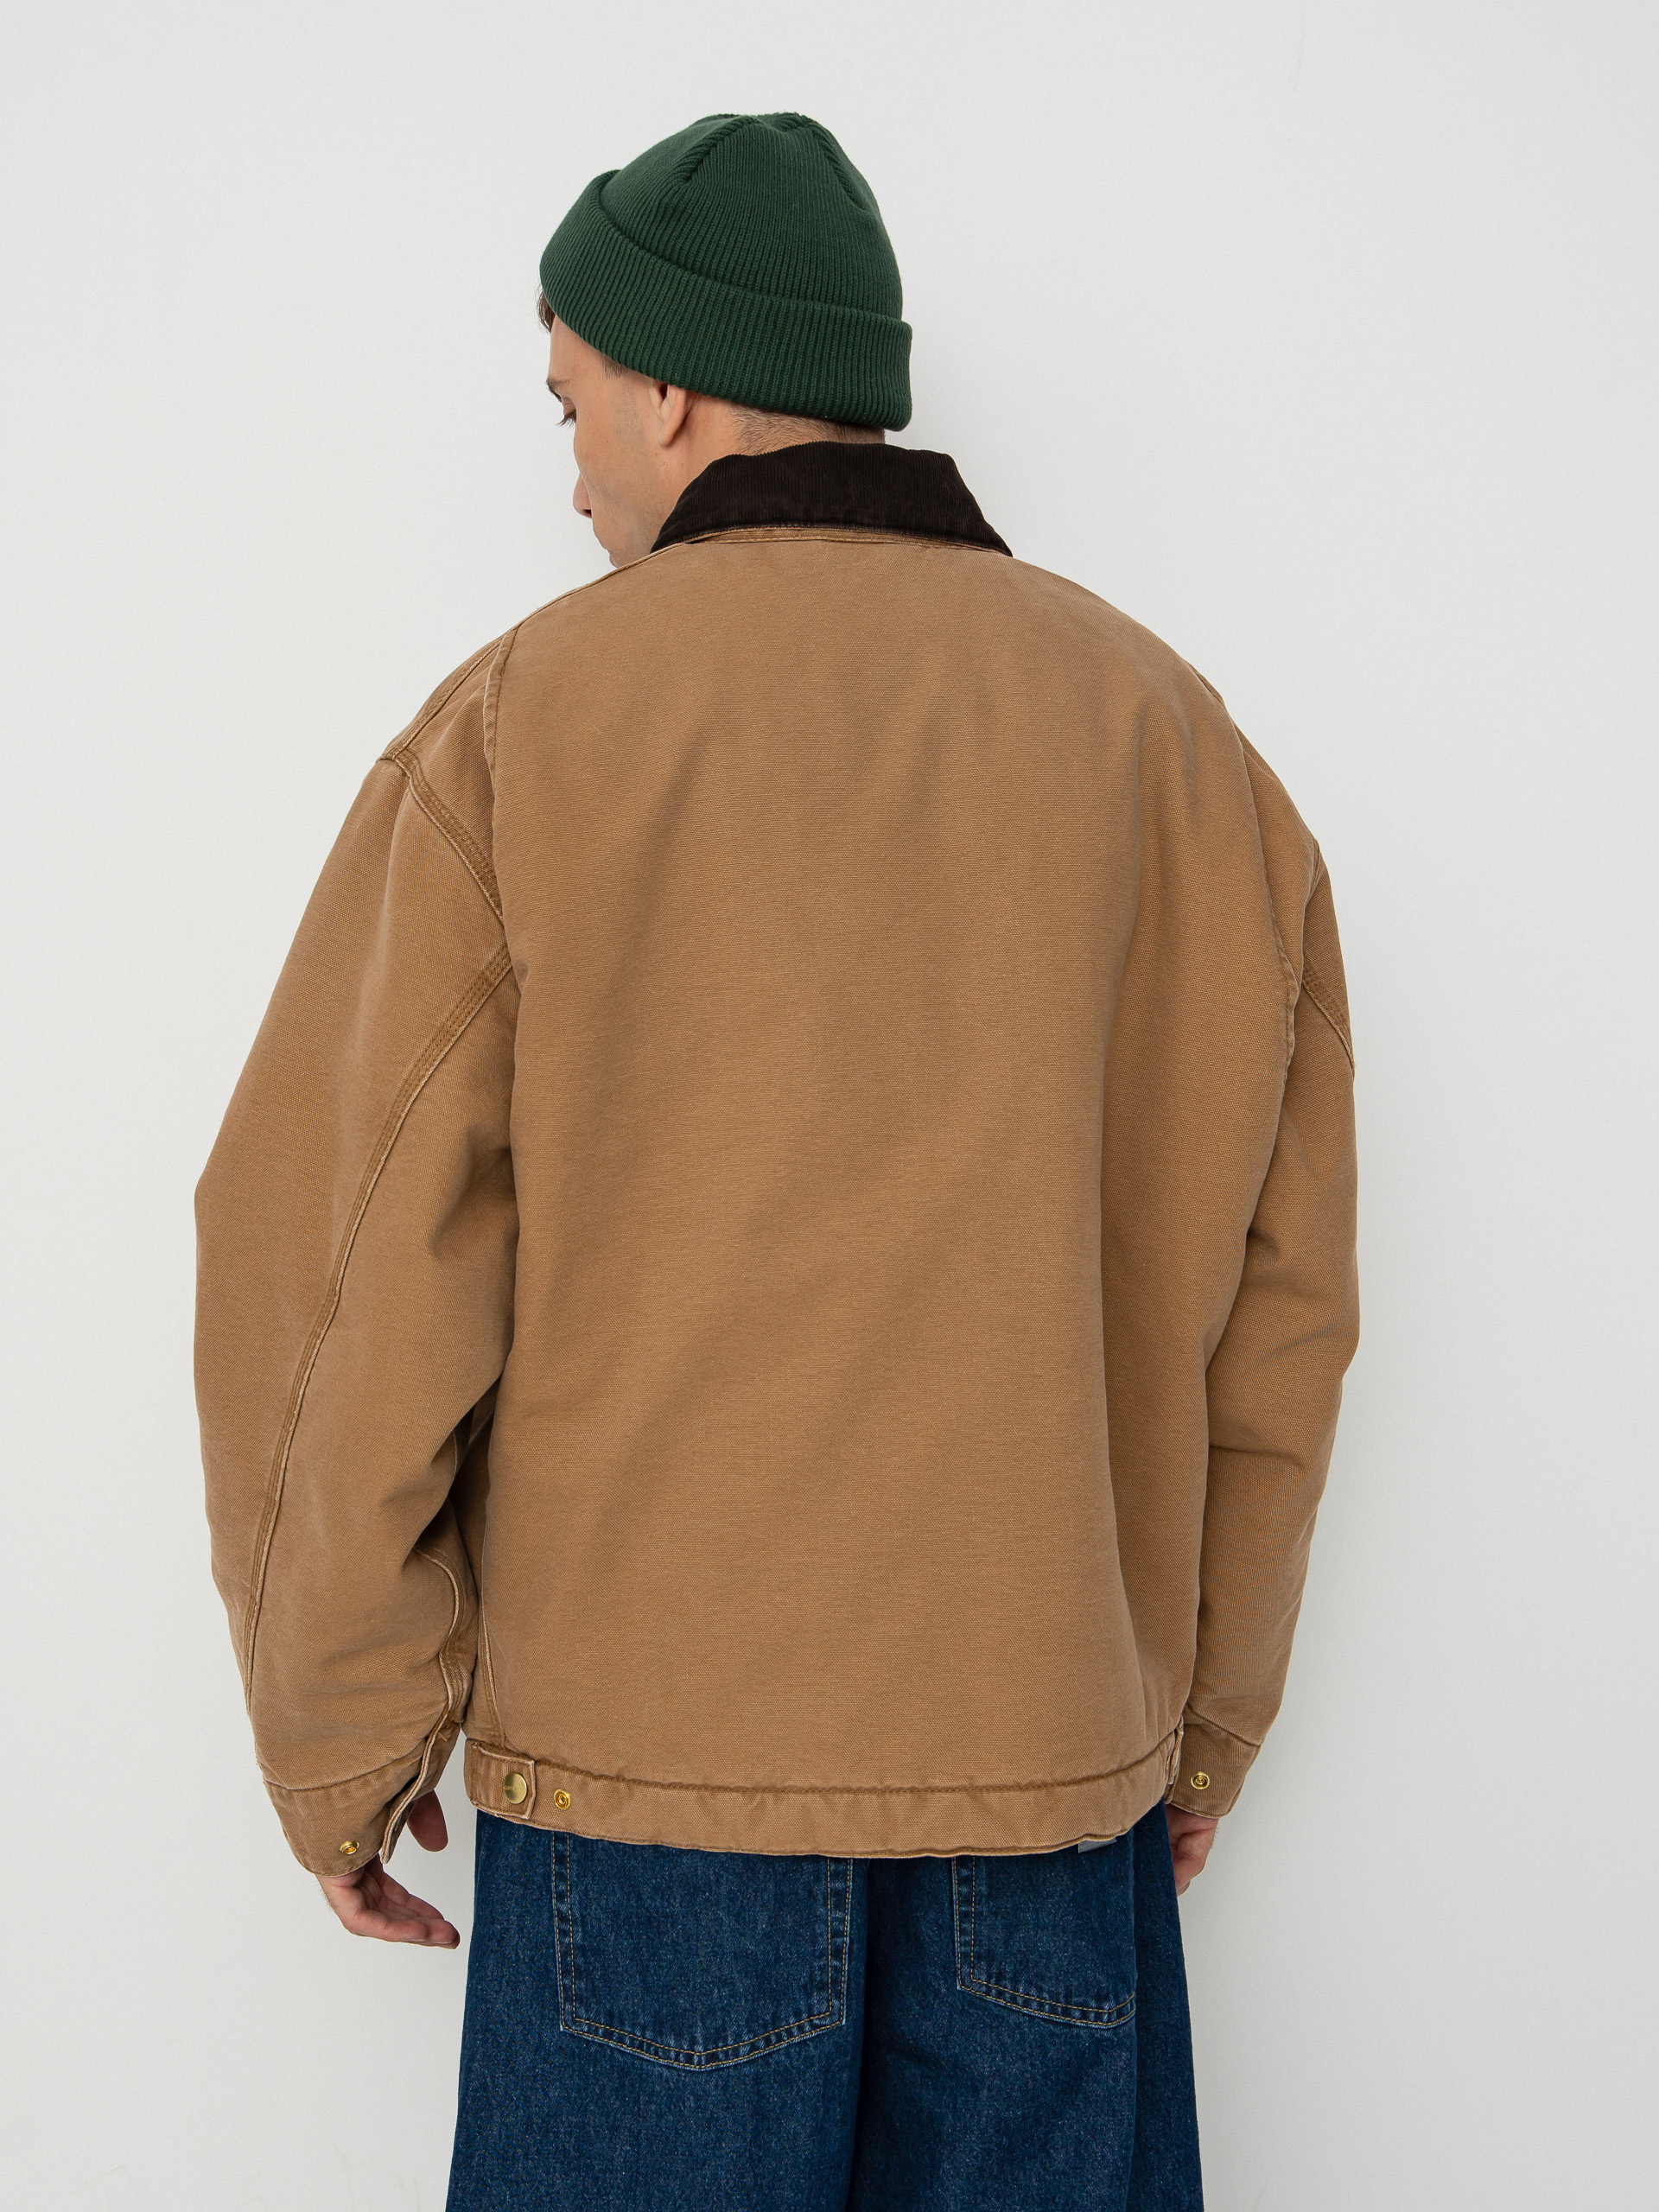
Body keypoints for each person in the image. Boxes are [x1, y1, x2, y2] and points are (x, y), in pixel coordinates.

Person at [194, 110, 1358, 2212]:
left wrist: (344, 1735)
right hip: (1049, 1782)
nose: (568, 470)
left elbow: (335, 1275)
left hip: (648, 1805)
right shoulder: (1177, 743)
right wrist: (1200, 1717)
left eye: (568, 401)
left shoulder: (524, 726)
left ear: (674, 389)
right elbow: (1279, 1312)